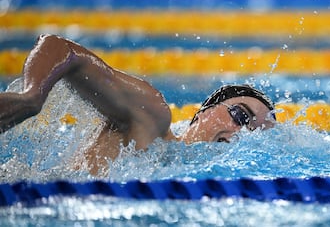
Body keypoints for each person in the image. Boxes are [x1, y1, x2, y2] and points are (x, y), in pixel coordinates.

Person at [0, 34, 276, 175]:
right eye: (240, 115)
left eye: (255, 133)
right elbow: (61, 47)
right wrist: (32, 96)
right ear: (203, 112)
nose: (242, 133)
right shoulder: (152, 118)